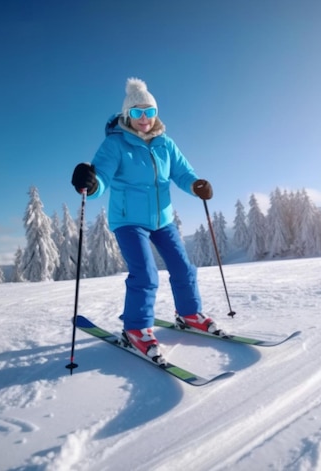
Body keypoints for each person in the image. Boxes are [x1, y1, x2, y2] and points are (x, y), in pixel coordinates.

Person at [71, 77, 222, 364]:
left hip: (162, 219)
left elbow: (182, 173)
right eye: (138, 113)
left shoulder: (166, 144)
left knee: (183, 267)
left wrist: (196, 185)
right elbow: (100, 179)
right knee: (146, 274)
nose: (145, 119)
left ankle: (189, 313)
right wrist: (90, 184)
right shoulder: (114, 145)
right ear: (127, 114)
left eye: (150, 112)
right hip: (129, 221)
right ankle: (135, 329)